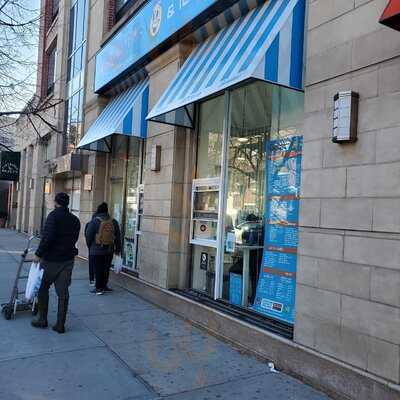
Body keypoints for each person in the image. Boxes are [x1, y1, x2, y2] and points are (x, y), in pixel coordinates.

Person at [31, 192, 81, 334]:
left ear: (56, 202)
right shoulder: (75, 220)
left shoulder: (53, 216)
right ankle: (60, 324)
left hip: (50, 260)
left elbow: (47, 238)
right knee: (63, 293)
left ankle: (42, 319)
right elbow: (74, 239)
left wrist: (38, 254)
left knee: (42, 288)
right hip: (67, 261)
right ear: (68, 203)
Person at [85, 202, 121, 295]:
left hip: (96, 250)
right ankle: (104, 286)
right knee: (106, 268)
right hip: (109, 249)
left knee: (97, 269)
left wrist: (90, 246)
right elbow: (118, 236)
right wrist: (118, 249)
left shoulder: (94, 221)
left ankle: (98, 288)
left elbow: (88, 235)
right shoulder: (113, 221)